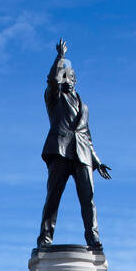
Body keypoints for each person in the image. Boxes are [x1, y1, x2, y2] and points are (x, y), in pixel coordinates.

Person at [37, 39, 111, 250]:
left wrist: (97, 161)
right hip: (60, 150)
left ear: (75, 80)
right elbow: (51, 80)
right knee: (53, 197)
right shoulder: (54, 98)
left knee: (88, 199)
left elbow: (86, 135)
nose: (67, 80)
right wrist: (60, 58)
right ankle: (45, 238)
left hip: (83, 154)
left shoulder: (84, 106)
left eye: (70, 76)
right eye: (64, 76)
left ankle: (93, 238)